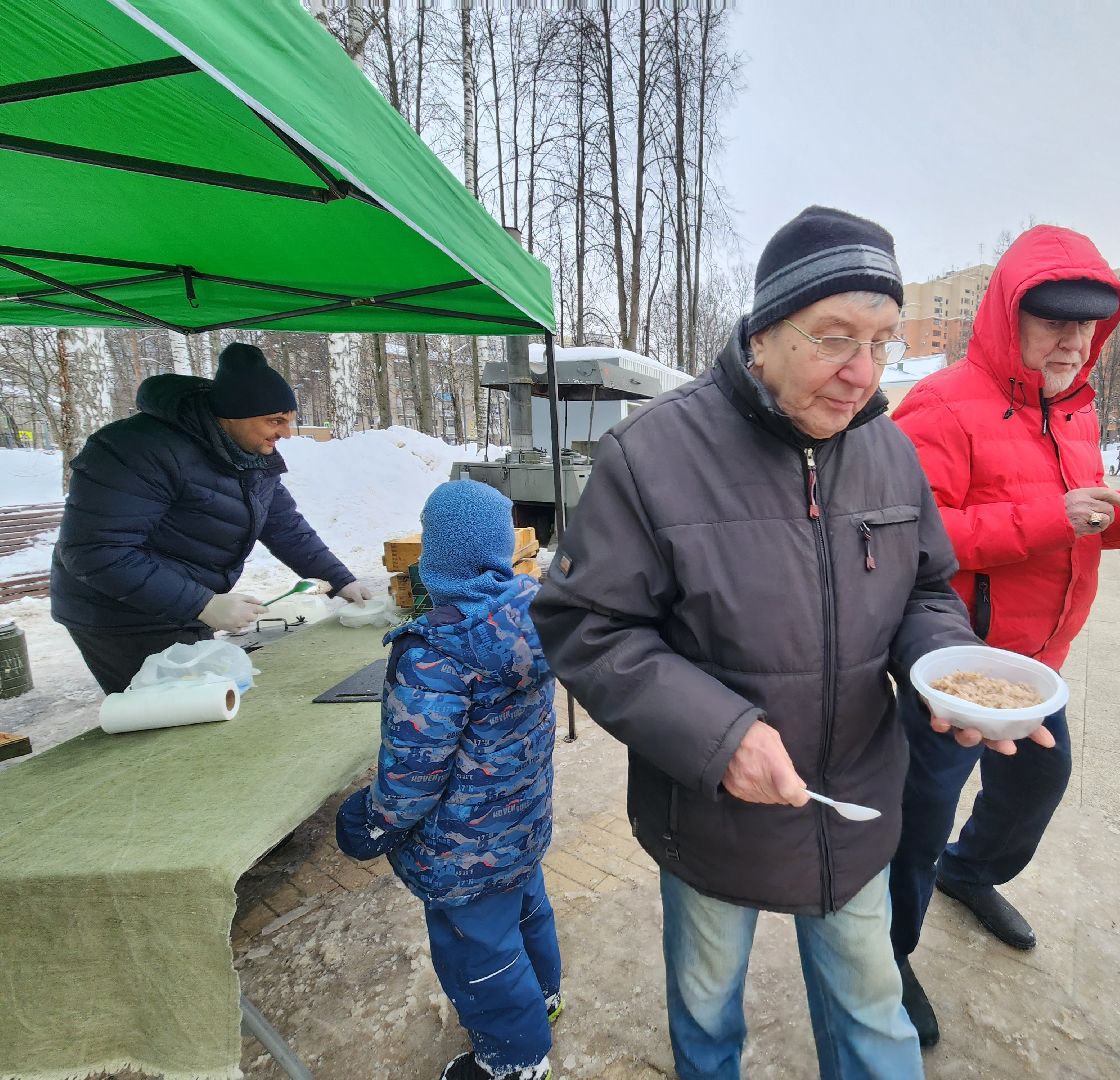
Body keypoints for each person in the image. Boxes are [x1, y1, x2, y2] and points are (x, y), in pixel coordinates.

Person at [531, 206, 984, 1080]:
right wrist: (720, 734)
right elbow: (584, 622)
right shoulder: (650, 455)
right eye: (835, 339)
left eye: (883, 341)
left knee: (872, 1012)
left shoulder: (889, 452)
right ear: (765, 333)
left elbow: (925, 587)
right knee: (706, 1012)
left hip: (853, 803)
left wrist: (943, 670)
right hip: (711, 814)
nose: (863, 375)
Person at [886, 225, 1120, 1046]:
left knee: (1039, 781)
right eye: (1053, 320)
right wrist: (1046, 516)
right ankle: (886, 961)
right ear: (1008, 316)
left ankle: (972, 873)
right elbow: (915, 538)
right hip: (957, 665)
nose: (1073, 339)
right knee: (917, 817)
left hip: (1038, 663)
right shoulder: (940, 404)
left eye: (1088, 324)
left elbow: (1082, 518)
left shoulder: (1074, 410)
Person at [336, 479, 560, 1080]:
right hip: (520, 823)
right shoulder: (529, 617)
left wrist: (371, 821)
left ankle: (515, 1060)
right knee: (528, 910)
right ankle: (542, 998)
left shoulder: (436, 654)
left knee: (477, 951)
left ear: (435, 555)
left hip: (463, 851)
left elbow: (413, 776)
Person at [50, 342, 370, 693]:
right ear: (232, 414)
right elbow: (95, 551)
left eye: (289, 421)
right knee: (170, 716)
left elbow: (284, 526)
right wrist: (201, 603)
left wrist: (340, 580)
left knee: (211, 699)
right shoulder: (135, 449)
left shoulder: (249, 454)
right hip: (120, 614)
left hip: (180, 600)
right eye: (275, 421)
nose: (286, 433)